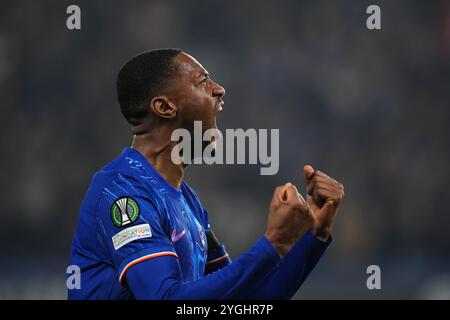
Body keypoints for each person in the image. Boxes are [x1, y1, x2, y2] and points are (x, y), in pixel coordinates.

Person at [67, 48, 345, 299]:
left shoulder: (187, 201)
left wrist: (314, 236)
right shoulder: (123, 191)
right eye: (203, 81)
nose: (219, 89)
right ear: (164, 107)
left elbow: (242, 300)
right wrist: (274, 243)